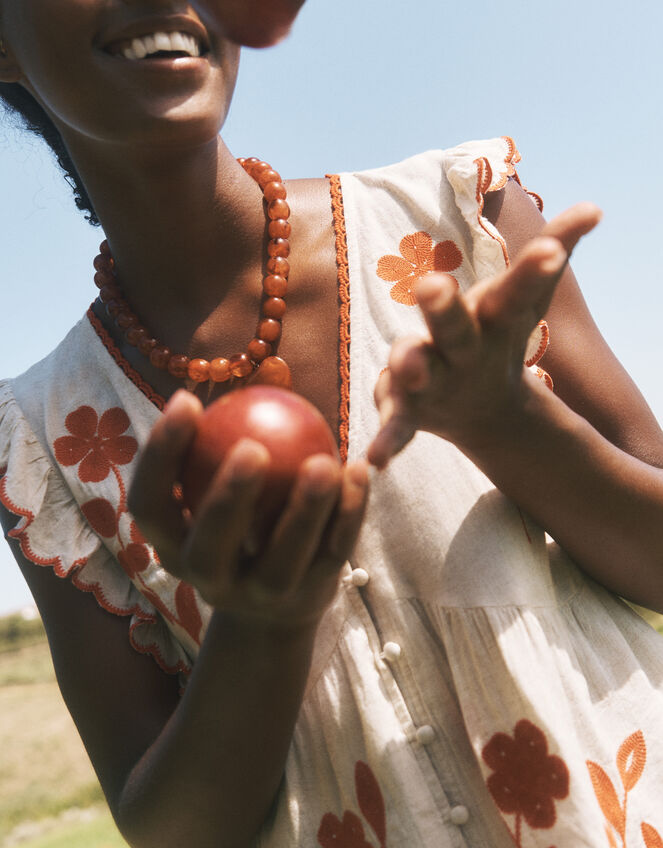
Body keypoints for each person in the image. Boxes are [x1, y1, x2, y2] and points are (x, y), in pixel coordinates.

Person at [1, 2, 663, 846]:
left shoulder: (453, 224)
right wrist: (261, 627)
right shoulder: (44, 441)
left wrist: (508, 425)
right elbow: (168, 829)